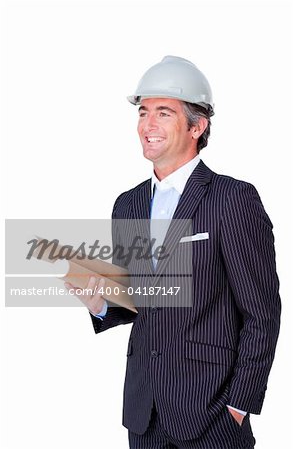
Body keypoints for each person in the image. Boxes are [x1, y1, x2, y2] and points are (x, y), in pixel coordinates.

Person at [66, 56, 281, 449]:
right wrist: (99, 303)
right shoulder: (127, 205)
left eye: (163, 113)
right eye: (143, 112)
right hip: (144, 412)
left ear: (197, 127)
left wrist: (240, 403)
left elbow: (261, 313)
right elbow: (139, 303)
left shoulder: (233, 199)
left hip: (212, 412)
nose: (148, 126)